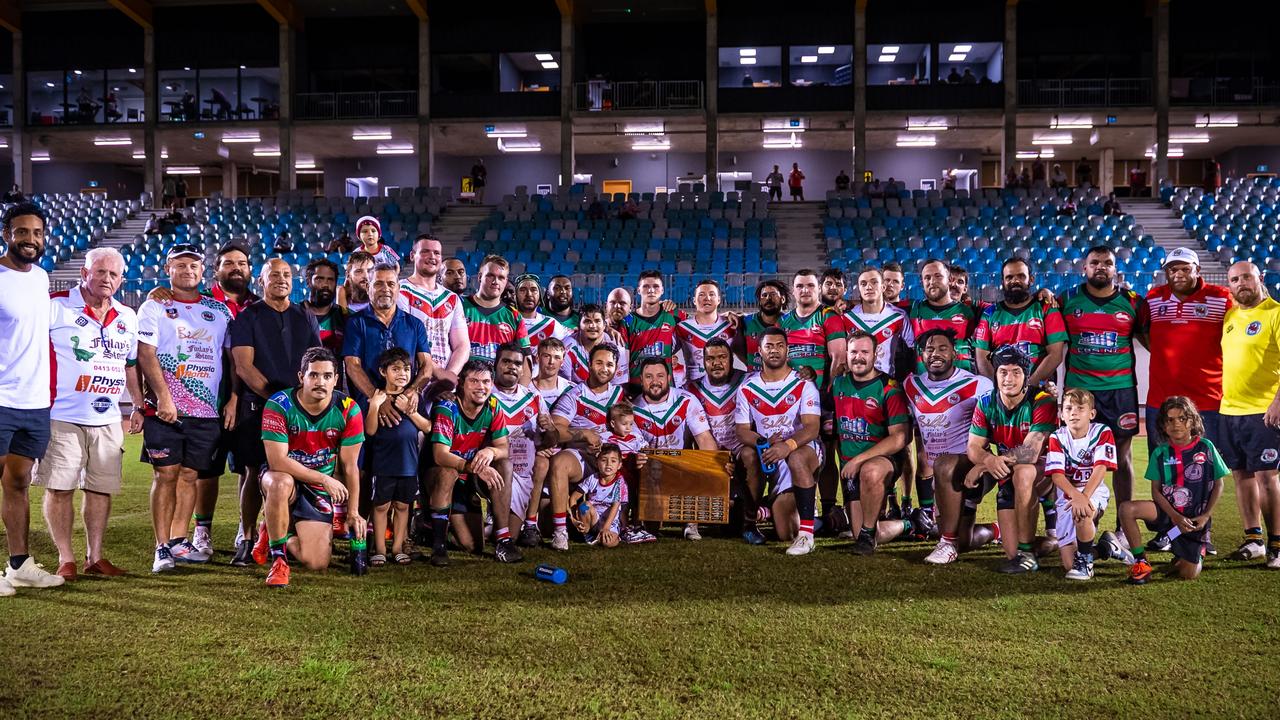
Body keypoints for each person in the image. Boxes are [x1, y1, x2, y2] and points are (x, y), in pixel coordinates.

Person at [37, 248, 141, 580]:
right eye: (100, 272)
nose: (106, 279)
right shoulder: (55, 305)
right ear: (84, 272)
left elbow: (130, 366)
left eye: (113, 274)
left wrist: (138, 403)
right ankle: (66, 558)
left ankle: (95, 557)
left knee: (100, 488)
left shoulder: (128, 315)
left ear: (121, 279)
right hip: (61, 413)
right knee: (60, 486)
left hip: (108, 418)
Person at [136, 244, 233, 573]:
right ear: (168, 269)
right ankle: (161, 547)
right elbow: (146, 354)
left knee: (190, 476)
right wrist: (164, 396)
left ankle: (179, 541)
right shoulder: (154, 306)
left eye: (193, 265)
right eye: (180, 265)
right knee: (165, 476)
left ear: (202, 271)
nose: (187, 270)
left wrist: (229, 399)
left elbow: (229, 360)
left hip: (206, 411)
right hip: (166, 409)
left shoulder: (219, 310)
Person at [228, 259, 322, 566]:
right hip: (258, 408)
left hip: (300, 411)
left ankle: (280, 537)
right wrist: (277, 399)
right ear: (261, 280)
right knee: (253, 472)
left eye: (286, 275)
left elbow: (316, 360)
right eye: (274, 275)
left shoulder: (305, 316)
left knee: (290, 473)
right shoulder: (248, 317)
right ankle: (246, 535)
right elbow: (243, 366)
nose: (281, 280)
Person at [253, 347, 366, 588]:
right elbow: (277, 461)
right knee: (280, 482)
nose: (320, 382)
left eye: (327, 376)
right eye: (313, 375)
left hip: (316, 487)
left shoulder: (348, 408)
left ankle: (272, 530)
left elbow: (350, 466)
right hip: (284, 477)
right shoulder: (280, 404)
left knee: (317, 563)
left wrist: (353, 512)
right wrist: (325, 479)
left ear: (336, 379)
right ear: (301, 377)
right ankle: (279, 560)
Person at [0, 203, 65, 594]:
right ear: (6, 233)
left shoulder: (40, 277)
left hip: (34, 402)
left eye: (37, 233)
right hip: (0, 397)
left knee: (19, 482)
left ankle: (19, 565)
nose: (30, 240)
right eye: (22, 232)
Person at [1058, 246, 1148, 522]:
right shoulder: (1066, 300)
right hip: (1079, 392)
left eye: (1107, 262)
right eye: (1094, 262)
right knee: (1077, 459)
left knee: (1122, 459)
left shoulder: (1133, 302)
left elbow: (1153, 343)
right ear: (1084, 268)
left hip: (1119, 391)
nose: (1101, 267)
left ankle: (1123, 525)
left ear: (1115, 269)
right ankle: (1079, 521)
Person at [905, 329, 997, 565]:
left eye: (943, 348)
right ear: (922, 355)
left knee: (945, 463)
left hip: (970, 468)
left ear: (955, 354)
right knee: (962, 541)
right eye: (930, 349)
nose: (936, 354)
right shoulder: (911, 385)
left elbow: (997, 420)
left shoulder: (978, 384)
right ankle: (996, 531)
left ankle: (946, 544)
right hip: (941, 478)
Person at [965, 345, 1057, 574]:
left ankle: (1028, 554)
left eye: (1016, 372)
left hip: (1046, 473)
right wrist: (987, 460)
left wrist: (988, 465)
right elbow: (973, 447)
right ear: (995, 375)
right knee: (1010, 553)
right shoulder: (986, 402)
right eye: (1003, 372)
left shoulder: (1042, 400)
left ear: (1026, 376)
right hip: (1009, 472)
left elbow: (1031, 452)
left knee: (1023, 471)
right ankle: (1048, 544)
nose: (1009, 378)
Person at [733, 328, 823, 555]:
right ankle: (754, 516)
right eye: (769, 346)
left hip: (800, 450)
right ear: (759, 352)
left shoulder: (803, 383)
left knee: (789, 533)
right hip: (769, 454)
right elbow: (742, 431)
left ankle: (809, 533)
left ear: (787, 349)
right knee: (747, 453)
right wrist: (763, 441)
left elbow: (812, 428)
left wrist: (787, 445)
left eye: (780, 345)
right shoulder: (746, 387)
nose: (774, 350)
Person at [1121, 396, 1228, 583]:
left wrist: (1206, 515)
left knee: (1188, 574)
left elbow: (1219, 483)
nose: (1176, 424)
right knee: (1126, 509)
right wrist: (1173, 515)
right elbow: (1156, 491)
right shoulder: (1160, 453)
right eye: (1169, 420)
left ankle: (1194, 550)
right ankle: (1141, 561)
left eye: (1182, 418)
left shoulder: (1206, 447)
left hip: (1192, 520)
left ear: (1193, 421)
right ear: (1163, 425)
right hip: (1167, 515)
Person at [426, 359, 522, 566]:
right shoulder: (447, 406)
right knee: (448, 472)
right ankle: (438, 544)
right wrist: (475, 467)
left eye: (486, 382)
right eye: (474, 381)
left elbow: (504, 448)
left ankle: (503, 540)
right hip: (442, 476)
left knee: (474, 546)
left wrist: (491, 450)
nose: (481, 387)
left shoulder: (493, 405)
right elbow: (440, 455)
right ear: (461, 383)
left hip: (469, 477)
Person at [1217, 261, 1280, 567]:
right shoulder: (1230, 316)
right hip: (1230, 409)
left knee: (1267, 478)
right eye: (1234, 279)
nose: (1241, 283)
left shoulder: (1276, 313)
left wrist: (1278, 402)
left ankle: (1277, 545)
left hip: (1264, 411)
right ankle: (1252, 539)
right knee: (1241, 476)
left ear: (1259, 279)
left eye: (1246, 277)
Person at [832, 332, 912, 555]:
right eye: (854, 352)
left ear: (876, 355)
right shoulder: (838, 384)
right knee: (862, 532)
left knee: (870, 470)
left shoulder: (889, 388)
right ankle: (908, 524)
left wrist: (859, 460)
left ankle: (867, 536)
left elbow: (899, 438)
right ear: (846, 355)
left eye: (864, 352)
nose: (858, 357)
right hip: (850, 467)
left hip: (881, 462)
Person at [1143, 247, 1231, 450]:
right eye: (1172, 270)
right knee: (1161, 468)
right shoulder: (1154, 298)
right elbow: (1142, 331)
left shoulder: (1221, 298)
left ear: (1198, 269)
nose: (1178, 274)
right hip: (1161, 400)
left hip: (1208, 400)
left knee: (1208, 467)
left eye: (1185, 269)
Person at [550, 344, 629, 549]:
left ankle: (630, 523)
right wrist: (583, 434)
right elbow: (554, 430)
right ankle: (560, 531)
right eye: (599, 363)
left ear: (616, 367)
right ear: (589, 364)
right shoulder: (575, 394)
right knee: (559, 463)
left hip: (614, 460)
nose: (604, 368)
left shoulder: (621, 396)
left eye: (610, 364)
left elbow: (632, 430)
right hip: (583, 457)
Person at [364, 348, 432, 566]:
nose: (402, 374)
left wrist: (410, 411)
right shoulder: (378, 397)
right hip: (383, 465)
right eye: (396, 369)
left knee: (403, 506)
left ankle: (398, 547)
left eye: (406, 369)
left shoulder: (412, 398)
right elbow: (371, 431)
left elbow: (428, 427)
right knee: (381, 506)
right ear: (383, 372)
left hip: (408, 464)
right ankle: (380, 549)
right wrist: (374, 407)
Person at [1044, 389, 1117, 581]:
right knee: (1068, 564)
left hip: (1093, 490)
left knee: (1082, 511)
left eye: (1080, 408)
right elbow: (1057, 476)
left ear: (1091, 414)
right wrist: (1075, 496)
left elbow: (1100, 468)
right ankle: (1105, 547)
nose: (1073, 413)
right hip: (1067, 495)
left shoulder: (1102, 432)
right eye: (1068, 408)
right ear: (1061, 414)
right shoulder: (1057, 437)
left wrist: (1083, 497)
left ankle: (1085, 563)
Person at [491, 343, 558, 549]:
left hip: (523, 473)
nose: (512, 367)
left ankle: (516, 525)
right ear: (496, 364)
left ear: (523, 369)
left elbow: (551, 441)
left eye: (517, 364)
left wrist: (549, 431)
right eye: (506, 361)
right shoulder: (486, 393)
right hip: (493, 469)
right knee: (474, 541)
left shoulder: (533, 398)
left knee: (508, 536)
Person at [686, 339, 749, 538]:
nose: (717, 363)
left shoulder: (747, 381)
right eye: (710, 358)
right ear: (703, 362)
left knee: (733, 525)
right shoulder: (690, 389)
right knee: (722, 520)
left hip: (741, 460)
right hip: (711, 461)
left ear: (731, 359)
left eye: (722, 357)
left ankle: (756, 510)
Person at [974, 257, 1068, 388]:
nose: (1015, 281)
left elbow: (1055, 355)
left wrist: (1028, 386)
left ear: (1031, 279)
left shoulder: (1046, 308)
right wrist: (1000, 389)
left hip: (1038, 387)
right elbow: (982, 359)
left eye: (1021, 276)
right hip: (1003, 391)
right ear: (1002, 281)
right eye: (1009, 277)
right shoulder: (989, 313)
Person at [398, 235, 471, 391]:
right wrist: (439, 373)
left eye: (437, 253)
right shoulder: (400, 291)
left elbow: (462, 345)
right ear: (412, 256)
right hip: (411, 381)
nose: (432, 256)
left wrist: (449, 375)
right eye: (425, 251)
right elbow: (406, 341)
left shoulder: (451, 298)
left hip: (444, 385)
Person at [833, 266, 913, 379]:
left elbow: (913, 347)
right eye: (863, 284)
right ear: (858, 289)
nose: (868, 287)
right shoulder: (847, 316)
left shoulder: (899, 316)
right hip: (854, 381)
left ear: (883, 287)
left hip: (885, 382)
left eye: (874, 282)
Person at [906, 259, 980, 373]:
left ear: (949, 280)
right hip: (925, 385)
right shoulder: (914, 310)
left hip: (963, 383)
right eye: (927, 278)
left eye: (938, 276)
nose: (932, 281)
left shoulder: (968, 312)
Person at [462, 256, 530, 374]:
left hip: (499, 388)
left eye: (501, 277)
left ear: (506, 281)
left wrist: (521, 391)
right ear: (479, 277)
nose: (495, 281)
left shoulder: (514, 316)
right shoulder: (460, 306)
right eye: (490, 276)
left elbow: (525, 359)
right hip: (462, 383)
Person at [620, 270, 686, 384]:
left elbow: (701, 321)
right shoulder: (628, 321)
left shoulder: (674, 314)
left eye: (656, 286)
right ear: (638, 290)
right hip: (636, 389)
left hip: (666, 388)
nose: (651, 290)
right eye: (646, 286)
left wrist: (725, 316)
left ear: (662, 290)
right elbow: (622, 362)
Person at [780, 269, 842, 388]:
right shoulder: (783, 321)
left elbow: (838, 358)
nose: (805, 290)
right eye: (799, 286)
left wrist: (829, 391)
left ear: (819, 289)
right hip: (789, 392)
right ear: (793, 291)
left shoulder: (829, 316)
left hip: (819, 392)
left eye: (810, 285)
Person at [676, 279, 735, 387]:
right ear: (694, 300)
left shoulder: (732, 325)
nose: (707, 298)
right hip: (695, 390)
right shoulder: (682, 327)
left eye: (711, 294)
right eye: (701, 294)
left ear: (719, 299)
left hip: (727, 390)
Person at [569, 444, 628, 547]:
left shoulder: (620, 482)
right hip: (594, 518)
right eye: (604, 460)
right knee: (584, 505)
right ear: (597, 462)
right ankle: (586, 533)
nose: (608, 464)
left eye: (613, 461)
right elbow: (573, 498)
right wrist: (574, 520)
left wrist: (606, 528)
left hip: (610, 522)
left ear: (619, 465)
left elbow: (616, 506)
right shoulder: (592, 479)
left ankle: (605, 535)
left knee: (608, 543)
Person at [561, 304, 629, 386]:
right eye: (587, 321)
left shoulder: (617, 346)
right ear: (579, 325)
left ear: (604, 325)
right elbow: (564, 386)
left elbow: (619, 384)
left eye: (597, 321)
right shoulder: (566, 347)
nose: (592, 326)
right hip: (575, 395)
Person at [303, 258, 348, 384]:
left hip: (333, 391)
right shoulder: (294, 315)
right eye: (319, 279)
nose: (325, 284)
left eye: (330, 280)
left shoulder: (346, 318)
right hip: (300, 390)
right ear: (308, 282)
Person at [733, 279, 787, 372]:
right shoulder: (746, 322)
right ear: (759, 300)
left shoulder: (790, 322)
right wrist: (750, 363)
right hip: (755, 378)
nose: (768, 298)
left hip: (784, 379)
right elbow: (737, 348)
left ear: (782, 299)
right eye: (764, 295)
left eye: (773, 294)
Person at [514, 273, 570, 360]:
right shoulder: (507, 323)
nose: (529, 294)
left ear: (540, 295)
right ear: (515, 296)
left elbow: (572, 341)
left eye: (533, 290)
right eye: (523, 290)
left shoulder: (551, 324)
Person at [533, 336, 574, 409]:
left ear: (562, 362)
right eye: (546, 356)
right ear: (537, 358)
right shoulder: (525, 389)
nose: (551, 362)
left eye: (557, 357)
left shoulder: (571, 389)